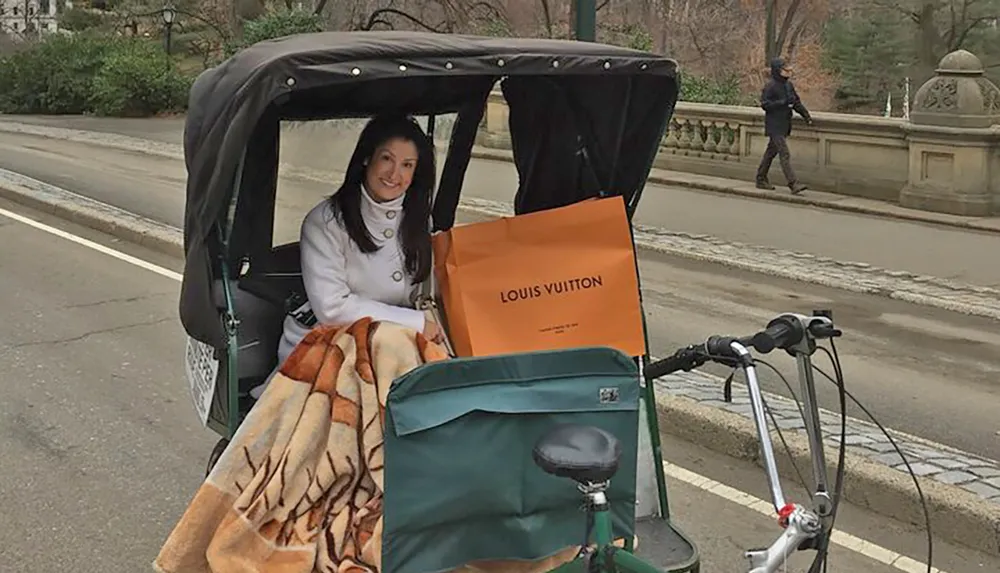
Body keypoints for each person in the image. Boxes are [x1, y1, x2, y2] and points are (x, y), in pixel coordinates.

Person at [251, 115, 444, 399]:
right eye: (386, 159)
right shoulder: (326, 221)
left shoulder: (417, 220)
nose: (394, 175)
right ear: (367, 158)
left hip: (396, 341)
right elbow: (332, 308)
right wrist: (416, 322)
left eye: (407, 166)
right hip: (331, 340)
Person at [756, 57, 813, 195]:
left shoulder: (788, 86)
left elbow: (796, 103)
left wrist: (806, 116)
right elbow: (765, 105)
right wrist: (782, 102)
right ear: (777, 70)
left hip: (784, 123)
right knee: (784, 153)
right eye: (784, 69)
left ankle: (761, 178)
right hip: (774, 124)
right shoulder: (770, 86)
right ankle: (793, 183)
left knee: (771, 153)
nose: (788, 71)